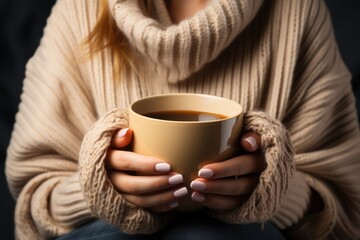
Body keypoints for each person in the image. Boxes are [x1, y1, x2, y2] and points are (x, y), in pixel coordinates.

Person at [5, 0, 360, 239]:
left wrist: (272, 192)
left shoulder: (296, 11)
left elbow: (341, 209)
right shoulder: (79, 10)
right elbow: (33, 201)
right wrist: (99, 190)